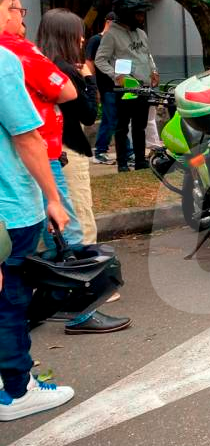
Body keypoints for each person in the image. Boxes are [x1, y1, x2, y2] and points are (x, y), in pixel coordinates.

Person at [0, 0, 74, 421]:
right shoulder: (7, 60)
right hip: (8, 206)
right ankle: (17, 389)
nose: (20, 13)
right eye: (12, 5)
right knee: (10, 300)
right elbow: (28, 137)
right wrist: (52, 197)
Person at [37, 8, 131, 334]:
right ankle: (87, 297)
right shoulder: (63, 70)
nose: (81, 39)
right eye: (77, 33)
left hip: (47, 152)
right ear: (65, 35)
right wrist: (90, 79)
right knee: (78, 222)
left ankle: (58, 294)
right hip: (68, 151)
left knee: (57, 228)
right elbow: (89, 114)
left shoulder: (39, 65)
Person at [94, 0, 157, 173]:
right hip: (125, 89)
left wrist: (154, 71)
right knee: (122, 126)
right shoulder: (111, 35)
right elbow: (100, 59)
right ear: (128, 15)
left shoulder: (142, 34)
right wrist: (116, 76)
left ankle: (140, 161)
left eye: (142, 14)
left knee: (140, 126)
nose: (141, 17)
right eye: (138, 14)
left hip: (143, 87)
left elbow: (147, 54)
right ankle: (122, 163)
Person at [86, 13, 129, 165]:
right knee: (112, 120)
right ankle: (101, 151)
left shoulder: (116, 40)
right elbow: (90, 62)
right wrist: (93, 86)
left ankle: (124, 151)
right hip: (106, 87)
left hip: (119, 86)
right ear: (108, 22)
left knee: (117, 120)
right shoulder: (96, 40)